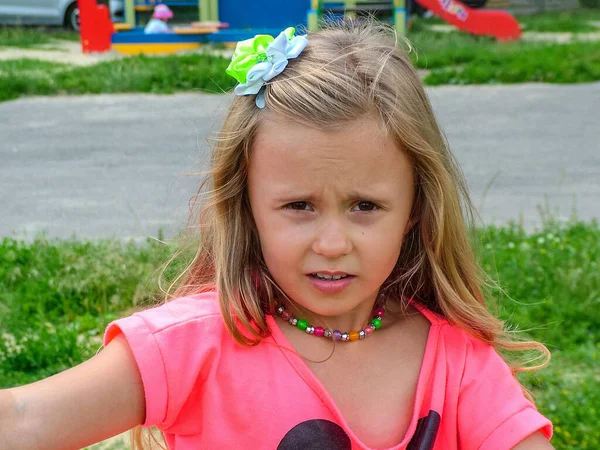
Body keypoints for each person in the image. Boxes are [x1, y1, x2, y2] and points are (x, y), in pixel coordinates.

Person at [0, 21, 555, 450]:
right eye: (298, 206)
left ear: (415, 210)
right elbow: (24, 420)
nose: (333, 243)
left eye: (366, 205)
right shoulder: (191, 348)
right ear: (248, 208)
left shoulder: (458, 366)